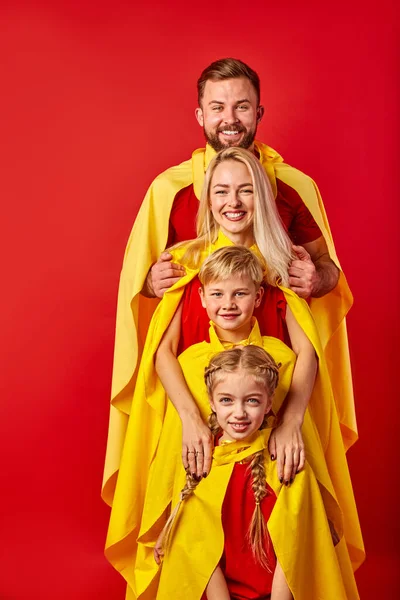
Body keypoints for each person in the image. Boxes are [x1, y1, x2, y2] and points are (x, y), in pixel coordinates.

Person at [102, 58, 356, 508]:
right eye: (218, 107)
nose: (229, 119)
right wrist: (150, 281)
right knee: (194, 507)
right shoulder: (171, 191)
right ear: (200, 114)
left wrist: (317, 278)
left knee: (285, 507)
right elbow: (146, 296)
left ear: (259, 113)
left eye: (242, 107)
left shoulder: (289, 189)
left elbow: (327, 273)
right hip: (197, 384)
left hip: (271, 383)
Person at [104, 243, 362, 599]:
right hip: (213, 473)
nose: (228, 303)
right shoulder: (192, 364)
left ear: (258, 298)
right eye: (218, 294)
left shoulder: (280, 357)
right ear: (203, 298)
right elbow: (162, 356)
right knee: (196, 505)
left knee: (296, 490)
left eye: (240, 293)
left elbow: (307, 357)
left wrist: (288, 424)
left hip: (263, 472)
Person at [153, 346, 357, 600]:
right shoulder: (203, 463)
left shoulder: (286, 463)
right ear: (211, 401)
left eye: (252, 400)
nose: (239, 413)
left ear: (269, 402)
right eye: (227, 400)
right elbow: (199, 550)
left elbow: (293, 549)